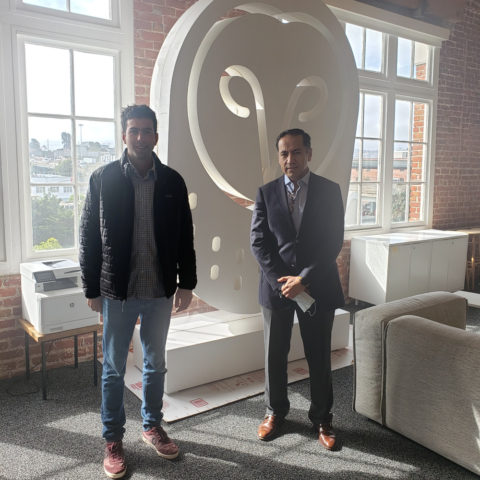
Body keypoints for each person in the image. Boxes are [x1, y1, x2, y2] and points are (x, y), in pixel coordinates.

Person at [80, 104, 196, 478]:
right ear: (124, 135)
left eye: (147, 131)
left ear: (156, 137)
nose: (141, 137)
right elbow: (88, 236)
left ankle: (151, 426)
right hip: (118, 292)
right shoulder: (103, 179)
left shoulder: (173, 182)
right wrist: (92, 287)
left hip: (160, 290)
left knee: (155, 363)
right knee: (114, 369)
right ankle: (113, 440)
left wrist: (187, 282)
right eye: (134, 130)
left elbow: (185, 236)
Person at [250, 128, 345, 450]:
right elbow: (259, 243)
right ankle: (274, 412)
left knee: (318, 355)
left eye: (297, 152)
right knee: (274, 354)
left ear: (309, 153)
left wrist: (303, 279)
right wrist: (283, 281)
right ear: (279, 157)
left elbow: (333, 241)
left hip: (317, 285)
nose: (290, 159)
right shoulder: (265, 193)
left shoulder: (329, 191)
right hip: (276, 288)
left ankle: (322, 418)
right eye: (284, 153)